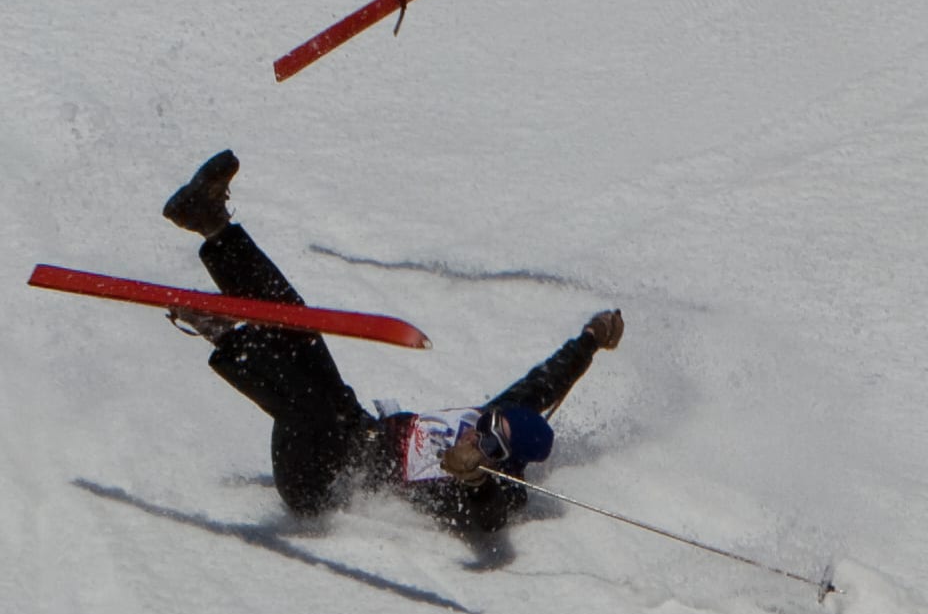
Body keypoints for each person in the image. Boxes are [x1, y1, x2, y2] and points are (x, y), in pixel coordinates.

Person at [162, 150, 624, 533]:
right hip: (351, 428)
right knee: (299, 330)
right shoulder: (498, 417)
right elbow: (547, 381)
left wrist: (472, 477)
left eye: (489, 443)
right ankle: (212, 224)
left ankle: (226, 335)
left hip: (323, 485)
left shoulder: (500, 485)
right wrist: (590, 339)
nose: (477, 434)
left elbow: (490, 514)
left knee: (311, 402)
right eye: (487, 425)